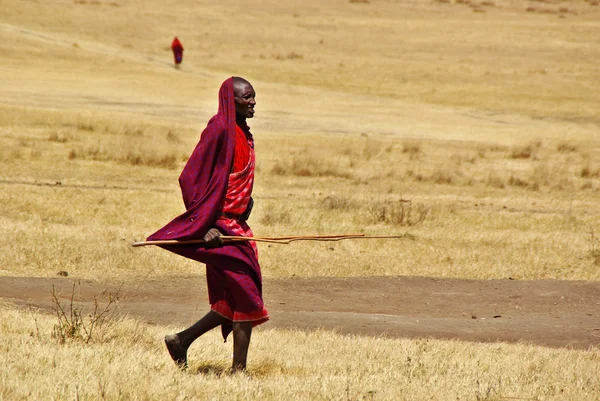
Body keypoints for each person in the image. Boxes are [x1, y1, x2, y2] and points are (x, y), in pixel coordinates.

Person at [146, 77, 268, 372]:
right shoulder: (220, 129)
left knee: (234, 298)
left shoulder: (242, 131)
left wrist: (246, 202)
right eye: (246, 97)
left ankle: (181, 341)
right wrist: (204, 225)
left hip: (238, 228)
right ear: (231, 99)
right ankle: (239, 372)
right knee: (247, 296)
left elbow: (232, 177)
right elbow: (189, 177)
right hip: (221, 230)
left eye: (254, 97)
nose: (253, 102)